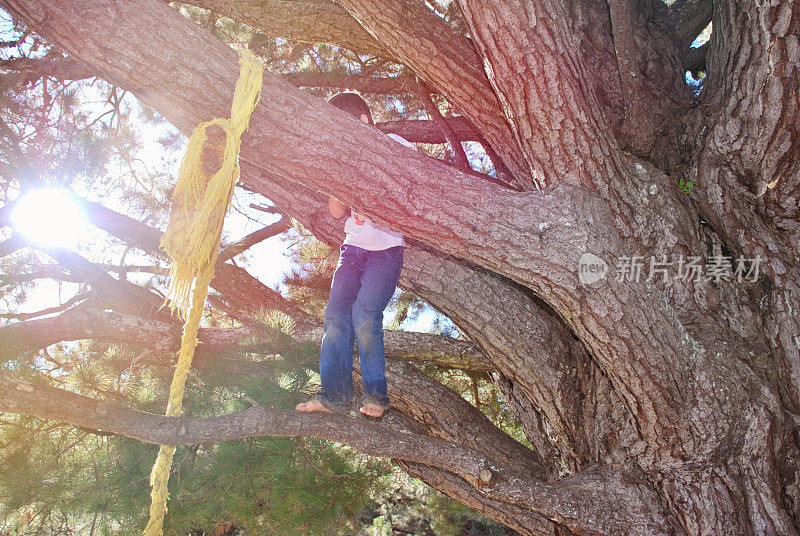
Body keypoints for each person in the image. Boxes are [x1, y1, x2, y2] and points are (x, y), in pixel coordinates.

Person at [295, 92, 416, 419]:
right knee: (335, 317)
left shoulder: (392, 143)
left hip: (387, 250)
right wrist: (339, 175)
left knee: (364, 316)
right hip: (353, 250)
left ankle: (376, 394)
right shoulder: (340, 159)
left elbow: (414, 175)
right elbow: (336, 212)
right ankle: (334, 394)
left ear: (363, 120)